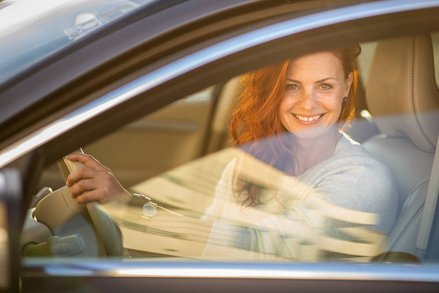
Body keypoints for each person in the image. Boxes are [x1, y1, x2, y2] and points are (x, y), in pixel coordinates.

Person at [65, 45, 398, 260]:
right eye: (291, 86)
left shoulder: (363, 180)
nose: (308, 103)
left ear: (346, 88)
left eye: (324, 86)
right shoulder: (255, 161)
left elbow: (259, 248)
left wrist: (131, 207)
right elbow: (203, 245)